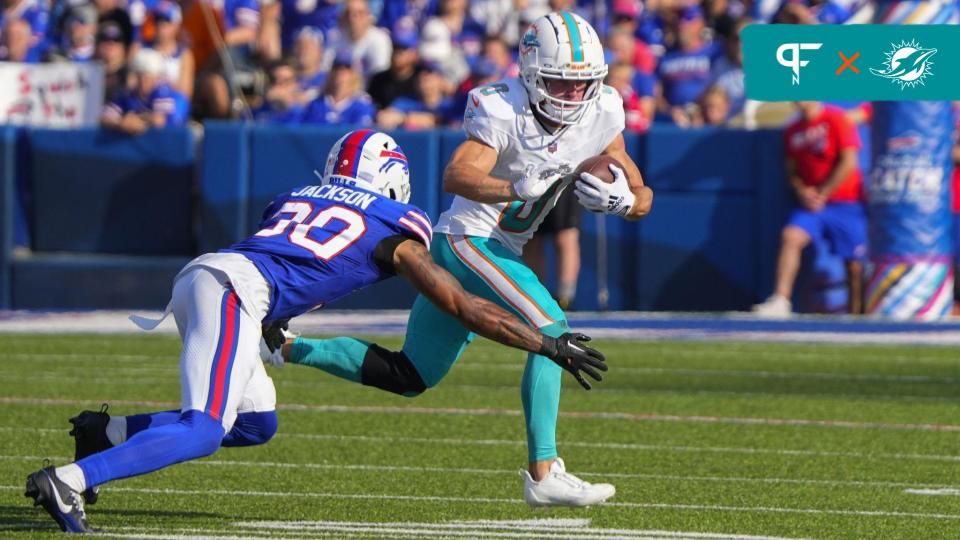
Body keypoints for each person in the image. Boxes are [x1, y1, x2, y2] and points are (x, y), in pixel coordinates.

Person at [24, 129, 606, 533]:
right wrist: (543, 340)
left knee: (254, 424)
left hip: (222, 279)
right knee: (202, 429)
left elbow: (287, 253)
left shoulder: (296, 195)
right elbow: (459, 302)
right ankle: (69, 479)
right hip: (231, 292)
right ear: (394, 181)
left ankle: (105, 433)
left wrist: (276, 319)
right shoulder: (398, 225)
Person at [269, 11, 652, 507]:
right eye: (561, 82)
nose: (573, 96)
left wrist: (625, 202)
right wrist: (511, 186)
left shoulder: (602, 111)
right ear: (534, 72)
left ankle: (286, 346)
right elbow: (456, 176)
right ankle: (544, 471)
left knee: (409, 375)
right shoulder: (501, 107)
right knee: (552, 330)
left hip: (497, 249)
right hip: (468, 240)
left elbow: (641, 190)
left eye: (582, 84)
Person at [753, 101, 866, 317]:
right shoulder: (793, 130)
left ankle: (858, 314)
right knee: (791, 237)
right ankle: (781, 300)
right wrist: (802, 190)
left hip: (845, 202)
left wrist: (824, 191)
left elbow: (848, 162)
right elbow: (791, 171)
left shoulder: (836, 119)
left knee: (854, 264)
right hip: (811, 204)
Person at [101, 48, 190, 135]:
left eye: (148, 76)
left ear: (157, 77)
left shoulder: (162, 92)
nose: (144, 81)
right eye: (140, 75)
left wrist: (135, 118)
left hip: (168, 143)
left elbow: (159, 120)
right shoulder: (128, 95)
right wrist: (120, 123)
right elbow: (105, 117)